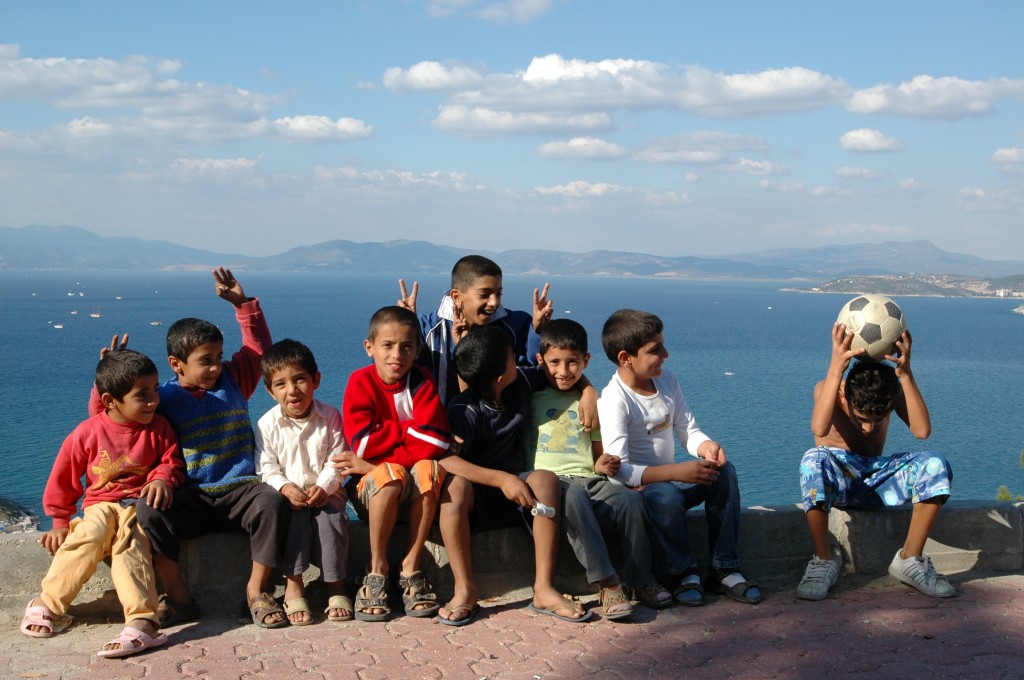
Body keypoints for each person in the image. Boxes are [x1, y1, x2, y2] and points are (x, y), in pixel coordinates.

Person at [102, 268, 292, 628]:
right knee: (149, 511)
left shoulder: (233, 379)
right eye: (205, 360)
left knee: (272, 502)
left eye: (218, 357)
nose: (215, 366)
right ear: (176, 364)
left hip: (241, 491)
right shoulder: (163, 398)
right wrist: (110, 379)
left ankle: (257, 592)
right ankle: (179, 598)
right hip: (193, 495)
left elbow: (258, 350)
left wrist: (243, 306)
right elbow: (117, 419)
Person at [22, 349, 184, 658]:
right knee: (90, 535)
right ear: (110, 401)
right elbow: (64, 478)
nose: (153, 400)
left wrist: (161, 479)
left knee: (131, 545)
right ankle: (48, 603)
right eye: (142, 395)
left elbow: (171, 461)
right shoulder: (87, 432)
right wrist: (59, 521)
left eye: (155, 391)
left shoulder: (159, 428)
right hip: (100, 504)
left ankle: (142, 620)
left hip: (137, 504)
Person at [597, 309, 761, 607]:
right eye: (655, 350)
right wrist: (675, 472)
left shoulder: (667, 380)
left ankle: (724, 568)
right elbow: (619, 472)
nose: (666, 354)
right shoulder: (614, 400)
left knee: (725, 473)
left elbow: (688, 431)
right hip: (646, 493)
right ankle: (682, 573)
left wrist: (706, 446)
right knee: (664, 493)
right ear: (626, 358)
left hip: (673, 483)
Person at [436, 324, 592, 626]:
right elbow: (445, 460)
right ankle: (465, 589)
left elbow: (554, 372)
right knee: (454, 488)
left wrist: (588, 390)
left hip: (520, 494)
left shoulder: (520, 381)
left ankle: (543, 588)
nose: (517, 358)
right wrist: (500, 479)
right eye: (511, 356)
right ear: (499, 377)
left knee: (545, 480)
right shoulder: (465, 410)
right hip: (478, 494)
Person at [525, 319, 672, 620]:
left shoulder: (591, 403)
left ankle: (638, 578)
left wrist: (603, 463)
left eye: (572, 362)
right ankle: (608, 583)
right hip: (552, 485)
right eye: (555, 362)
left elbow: (596, 455)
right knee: (575, 496)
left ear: (586, 361)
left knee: (631, 500)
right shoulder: (530, 399)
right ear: (541, 361)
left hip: (589, 478)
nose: (564, 371)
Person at [797, 323, 954, 600]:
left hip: (878, 480)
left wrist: (905, 374)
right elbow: (819, 427)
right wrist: (836, 368)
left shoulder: (889, 394)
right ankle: (824, 560)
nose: (869, 428)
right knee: (813, 459)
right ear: (846, 396)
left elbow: (922, 431)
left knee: (935, 464)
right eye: (862, 418)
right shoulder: (830, 389)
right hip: (840, 482)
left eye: (878, 419)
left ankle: (909, 559)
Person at [333, 306, 451, 621]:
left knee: (430, 468)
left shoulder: (422, 380)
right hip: (373, 492)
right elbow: (363, 442)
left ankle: (411, 565)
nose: (397, 355)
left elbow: (436, 441)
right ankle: (377, 569)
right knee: (391, 473)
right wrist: (412, 432)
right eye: (387, 345)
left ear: (417, 349)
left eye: (406, 346)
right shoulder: (360, 382)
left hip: (409, 485)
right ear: (369, 347)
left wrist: (375, 457)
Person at [255, 339, 351, 625]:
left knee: (332, 519)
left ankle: (336, 585)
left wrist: (324, 486)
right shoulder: (266, 424)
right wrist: (286, 488)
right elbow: (266, 467)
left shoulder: (330, 416)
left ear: (315, 380)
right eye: (281, 384)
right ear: (270, 391)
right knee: (294, 519)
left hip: (328, 491)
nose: (292, 390)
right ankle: (294, 583)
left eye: (299, 379)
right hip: (290, 495)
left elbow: (337, 460)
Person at [396, 254, 554, 406]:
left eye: (498, 293)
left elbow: (532, 370)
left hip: (500, 421)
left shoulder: (515, 325)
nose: (494, 302)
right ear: (456, 296)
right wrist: (407, 331)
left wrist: (538, 330)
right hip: (441, 422)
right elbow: (401, 370)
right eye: (485, 294)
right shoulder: (429, 330)